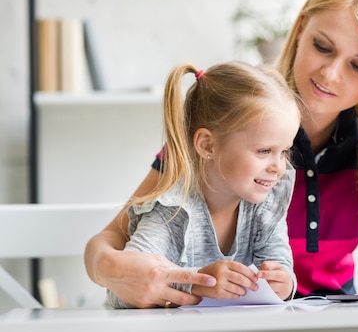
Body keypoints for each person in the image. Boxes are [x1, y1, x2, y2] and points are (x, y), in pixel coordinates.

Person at [85, 0, 358, 308]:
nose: (330, 74)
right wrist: (110, 269)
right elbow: (112, 238)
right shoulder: (234, 120)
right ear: (299, 30)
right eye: (323, 46)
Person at [105, 61, 302, 308]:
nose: (279, 167)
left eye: (284, 152)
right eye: (264, 151)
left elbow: (281, 265)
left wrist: (285, 284)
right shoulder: (172, 210)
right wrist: (198, 282)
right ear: (207, 145)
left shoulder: (266, 206)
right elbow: (121, 292)